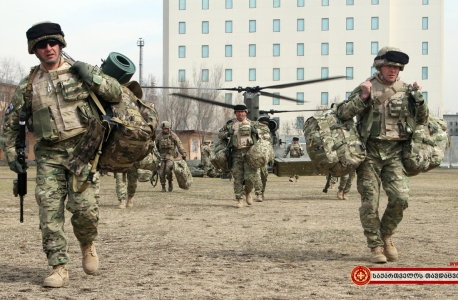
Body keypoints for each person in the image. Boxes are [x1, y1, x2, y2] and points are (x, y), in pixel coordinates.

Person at [0, 22, 122, 287]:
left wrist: (93, 76)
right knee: (49, 213)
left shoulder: (80, 71)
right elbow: (9, 126)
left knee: (85, 210)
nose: (48, 48)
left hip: (83, 151)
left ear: (61, 44)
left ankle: (87, 243)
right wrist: (13, 157)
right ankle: (58, 267)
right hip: (48, 156)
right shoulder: (28, 86)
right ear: (34, 50)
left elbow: (116, 92)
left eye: (52, 43)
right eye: (42, 45)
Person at [337, 46, 429, 263]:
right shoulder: (365, 86)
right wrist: (364, 97)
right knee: (370, 202)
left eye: (397, 67)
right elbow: (342, 114)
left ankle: (386, 235)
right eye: (389, 66)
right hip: (370, 153)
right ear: (380, 66)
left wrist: (419, 98)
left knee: (400, 197)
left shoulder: (407, 90)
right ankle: (376, 246)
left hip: (396, 153)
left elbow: (423, 118)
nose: (393, 71)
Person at [217, 104, 268, 207]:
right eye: (238, 112)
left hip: (250, 154)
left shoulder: (253, 124)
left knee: (250, 178)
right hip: (236, 154)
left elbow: (266, 130)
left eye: (242, 112)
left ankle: (248, 192)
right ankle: (239, 199)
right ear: (235, 113)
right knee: (238, 178)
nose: (240, 114)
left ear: (246, 112)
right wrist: (227, 134)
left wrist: (256, 131)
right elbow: (220, 134)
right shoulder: (230, 125)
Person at [155, 121, 186, 192]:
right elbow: (154, 146)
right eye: (163, 129)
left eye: (165, 128)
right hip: (162, 156)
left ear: (169, 129)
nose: (164, 130)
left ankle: (170, 182)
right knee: (161, 172)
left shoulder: (173, 136)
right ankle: (163, 186)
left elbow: (179, 145)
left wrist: (183, 154)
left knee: (168, 169)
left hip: (170, 155)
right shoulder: (159, 136)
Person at [254, 116, 273, 202]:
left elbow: (270, 146)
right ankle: (258, 194)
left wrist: (271, 158)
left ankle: (262, 192)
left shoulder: (268, 135)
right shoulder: (254, 132)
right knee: (257, 176)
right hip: (255, 157)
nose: (264, 125)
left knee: (264, 176)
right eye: (263, 123)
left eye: (266, 124)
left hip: (264, 159)